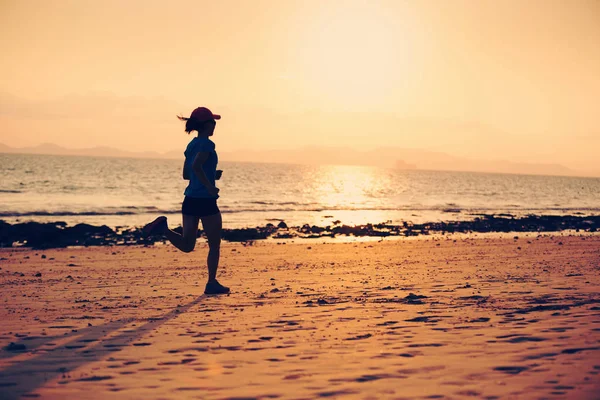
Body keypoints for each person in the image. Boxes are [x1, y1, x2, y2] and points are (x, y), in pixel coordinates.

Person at [142, 106, 229, 295]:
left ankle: (163, 228)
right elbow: (197, 167)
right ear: (207, 125)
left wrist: (211, 175)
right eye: (213, 122)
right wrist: (209, 186)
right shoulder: (207, 144)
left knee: (188, 245)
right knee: (214, 244)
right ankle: (211, 282)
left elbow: (186, 174)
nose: (215, 126)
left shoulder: (191, 145)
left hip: (190, 199)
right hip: (205, 201)